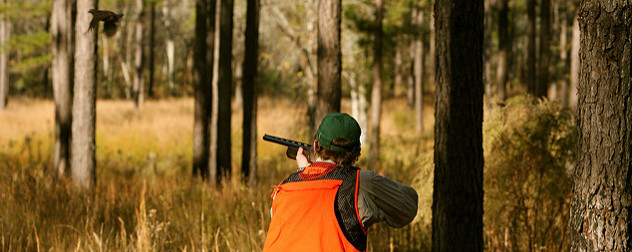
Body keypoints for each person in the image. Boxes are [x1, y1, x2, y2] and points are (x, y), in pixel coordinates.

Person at [263, 113, 418, 252]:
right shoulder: (361, 183)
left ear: (316, 146)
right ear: (357, 153)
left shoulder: (283, 189)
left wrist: (304, 172)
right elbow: (408, 207)